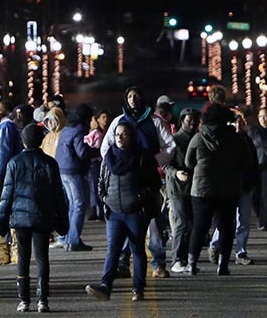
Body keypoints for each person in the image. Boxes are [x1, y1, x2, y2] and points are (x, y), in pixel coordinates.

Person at [101, 87, 175, 279]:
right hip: (125, 184)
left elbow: (170, 145)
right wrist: (117, 165)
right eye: (129, 97)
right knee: (125, 224)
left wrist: (154, 161)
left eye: (136, 96)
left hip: (148, 181)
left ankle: (158, 263)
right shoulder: (119, 121)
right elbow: (105, 148)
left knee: (155, 224)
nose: (133, 100)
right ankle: (123, 263)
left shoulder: (154, 121)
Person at [0, 124, 67, 313]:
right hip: (43, 217)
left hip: (20, 218)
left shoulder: (14, 163)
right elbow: (58, 195)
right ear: (41, 140)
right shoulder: (50, 163)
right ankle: (42, 300)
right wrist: (62, 222)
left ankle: (24, 300)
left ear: (23, 141)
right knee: (42, 258)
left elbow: (7, 195)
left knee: (23, 258)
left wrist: (0, 221)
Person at [87, 121, 161, 302]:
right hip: (114, 213)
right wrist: (104, 197)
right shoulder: (109, 157)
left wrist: (140, 196)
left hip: (135, 212)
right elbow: (101, 182)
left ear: (132, 137)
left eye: (124, 134)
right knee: (113, 250)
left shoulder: (142, 158)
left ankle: (138, 288)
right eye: (117, 134)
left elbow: (155, 183)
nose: (120, 138)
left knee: (137, 249)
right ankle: (105, 286)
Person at [188, 105, 255, 275]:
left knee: (200, 227)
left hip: (202, 188)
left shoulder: (198, 137)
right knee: (226, 227)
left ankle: (191, 264)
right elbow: (247, 162)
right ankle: (223, 265)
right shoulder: (236, 139)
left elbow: (188, 162)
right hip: (229, 188)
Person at [0, 104, 30, 267]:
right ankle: (9, 251)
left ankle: (8, 252)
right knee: (7, 212)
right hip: (10, 175)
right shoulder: (10, 127)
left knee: (3, 212)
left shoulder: (5, 127)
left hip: (5, 177)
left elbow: (3, 153)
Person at [55, 104, 97, 252]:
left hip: (62, 169)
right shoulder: (80, 130)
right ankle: (73, 240)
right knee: (79, 205)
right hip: (73, 170)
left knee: (72, 205)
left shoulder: (67, 128)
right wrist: (95, 151)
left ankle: (68, 238)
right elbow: (82, 152)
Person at [165, 108, 199, 273]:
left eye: (194, 120)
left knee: (192, 224)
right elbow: (164, 163)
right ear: (182, 121)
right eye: (188, 120)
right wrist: (176, 173)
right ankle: (177, 259)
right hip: (177, 188)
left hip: (195, 187)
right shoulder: (174, 140)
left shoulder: (199, 139)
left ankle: (186, 259)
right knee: (182, 224)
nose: (192, 123)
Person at [85, 110, 110, 221]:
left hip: (103, 163)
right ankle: (97, 210)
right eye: (103, 117)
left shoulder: (108, 132)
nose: (105, 120)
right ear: (98, 119)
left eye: (107, 117)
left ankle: (99, 210)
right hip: (95, 163)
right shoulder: (95, 133)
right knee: (95, 187)